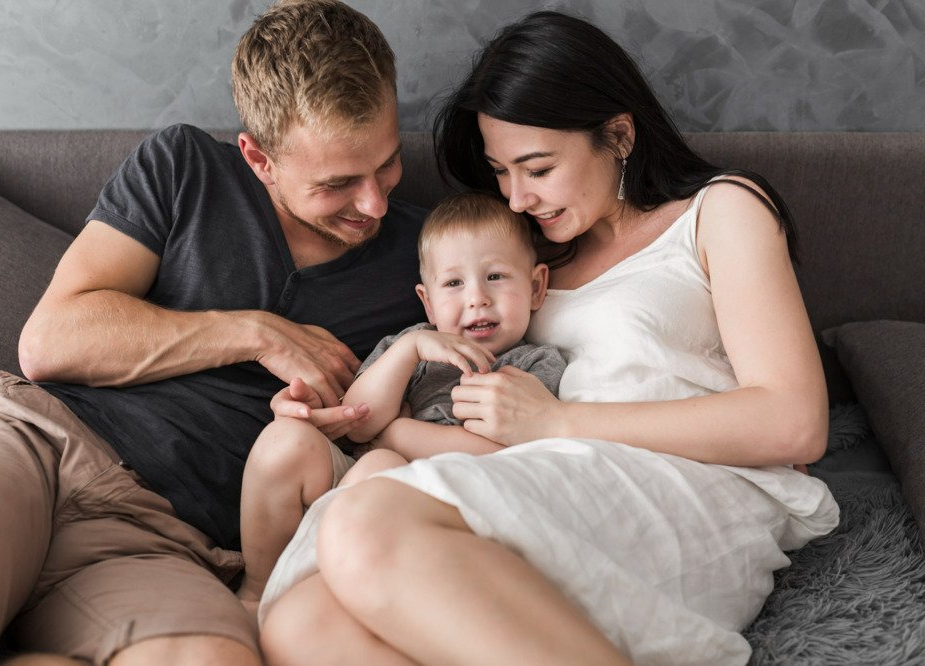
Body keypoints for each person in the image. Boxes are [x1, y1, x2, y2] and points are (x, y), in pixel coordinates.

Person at [256, 10, 840, 666]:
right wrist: (345, 413)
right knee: (301, 623)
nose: (515, 199)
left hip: (677, 485)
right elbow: (434, 370)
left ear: (618, 135)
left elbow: (794, 422)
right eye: (501, 172)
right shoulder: (524, 260)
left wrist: (558, 420)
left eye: (536, 168)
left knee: (362, 526)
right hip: (538, 480)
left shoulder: (719, 211)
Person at [0, 1, 427, 665]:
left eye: (387, 164)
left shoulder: (429, 257)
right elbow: (51, 342)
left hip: (162, 541)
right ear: (258, 158)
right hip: (33, 447)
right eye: (338, 184)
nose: (375, 204)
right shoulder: (185, 166)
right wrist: (258, 333)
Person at [237, 191, 566, 604]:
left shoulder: (533, 365)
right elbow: (357, 422)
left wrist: (399, 435)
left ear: (536, 287)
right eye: (453, 283)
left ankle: (319, 594)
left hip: (434, 510)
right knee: (285, 439)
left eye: (496, 276)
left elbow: (510, 457)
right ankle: (257, 588)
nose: (476, 297)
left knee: (381, 462)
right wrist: (408, 352)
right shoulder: (408, 346)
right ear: (427, 301)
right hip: (352, 482)